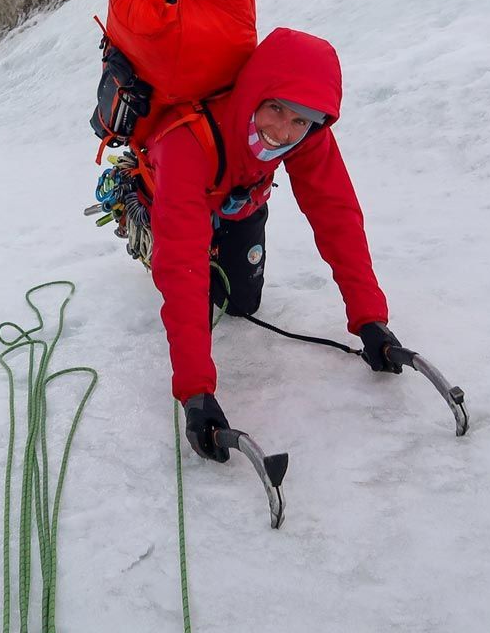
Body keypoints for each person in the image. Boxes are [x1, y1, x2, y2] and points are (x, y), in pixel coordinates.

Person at [141, 26, 403, 462]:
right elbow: (181, 265)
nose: (282, 132)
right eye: (276, 109)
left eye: (300, 120)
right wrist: (196, 392)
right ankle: (141, 209)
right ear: (256, 94)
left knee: (242, 304)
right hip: (179, 191)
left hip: (240, 203)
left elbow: (336, 215)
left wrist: (369, 317)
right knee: (194, 290)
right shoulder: (186, 139)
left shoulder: (308, 135)